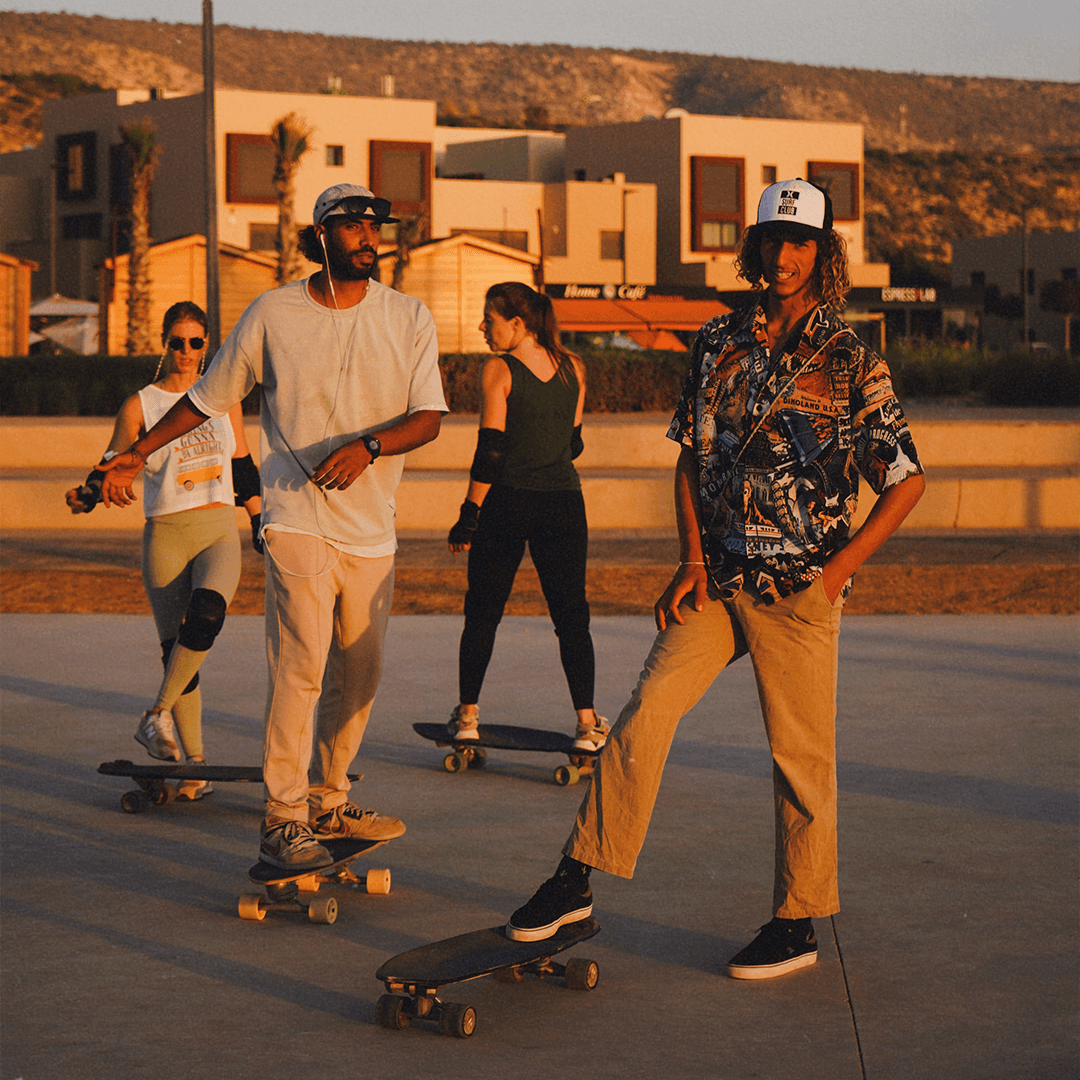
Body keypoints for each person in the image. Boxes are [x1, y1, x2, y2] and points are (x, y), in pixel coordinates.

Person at [504, 179, 926, 980]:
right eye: (774, 239)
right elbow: (692, 459)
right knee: (644, 714)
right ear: (756, 247)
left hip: (800, 587)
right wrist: (691, 559)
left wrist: (835, 576)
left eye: (802, 242)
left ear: (824, 253)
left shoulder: (851, 362)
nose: (785, 256)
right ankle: (576, 880)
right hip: (719, 578)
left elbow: (905, 479)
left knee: (801, 760)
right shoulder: (717, 342)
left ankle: (797, 921)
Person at [96, 184, 447, 868]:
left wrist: (369, 446)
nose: (368, 236)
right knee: (302, 669)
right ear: (321, 235)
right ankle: (283, 818)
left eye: (375, 225)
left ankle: (329, 800)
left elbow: (429, 417)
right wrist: (137, 453)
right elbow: (204, 400)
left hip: (373, 526)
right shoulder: (273, 313)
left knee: (361, 673)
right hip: (295, 517)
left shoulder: (408, 317)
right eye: (352, 225)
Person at [66, 301, 262, 799]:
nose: (187, 352)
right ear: (165, 344)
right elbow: (113, 463)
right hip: (165, 535)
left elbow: (242, 462)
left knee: (208, 614)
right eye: (177, 341)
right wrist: (87, 496)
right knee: (177, 651)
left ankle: (155, 714)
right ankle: (194, 765)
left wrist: (260, 519)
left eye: (197, 342)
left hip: (218, 528)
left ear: (207, 346)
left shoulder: (223, 398)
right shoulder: (141, 405)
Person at [445, 283, 608, 750]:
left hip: (507, 504)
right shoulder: (575, 367)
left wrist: (469, 513)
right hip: (563, 505)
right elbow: (574, 444)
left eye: (489, 319)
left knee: (483, 613)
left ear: (518, 324)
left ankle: (469, 718)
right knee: (571, 617)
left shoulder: (499, 368)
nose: (482, 327)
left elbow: (491, 452)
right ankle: (587, 724)